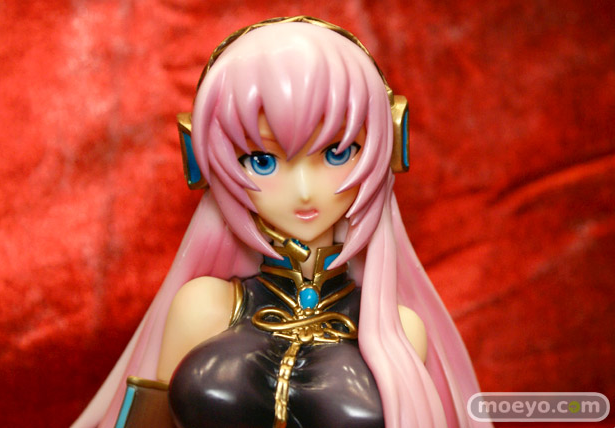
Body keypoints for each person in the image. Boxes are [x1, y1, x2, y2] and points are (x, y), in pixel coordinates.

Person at [73, 16, 489, 428]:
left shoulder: (400, 332)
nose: (304, 191)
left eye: (337, 152)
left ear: (388, 146)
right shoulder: (203, 308)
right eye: (262, 160)